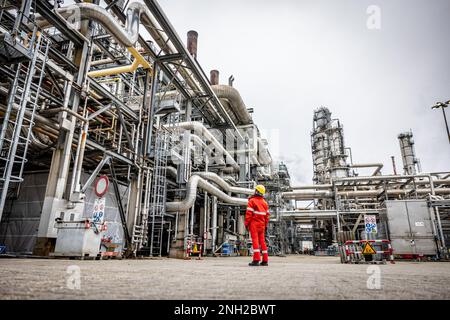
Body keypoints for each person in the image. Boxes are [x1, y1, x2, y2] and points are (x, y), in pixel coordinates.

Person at [245, 184, 270, 266]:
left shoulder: (252, 201)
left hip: (254, 224)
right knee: (262, 241)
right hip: (262, 225)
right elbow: (267, 217)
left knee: (255, 241)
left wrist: (246, 224)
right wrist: (265, 225)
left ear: (257, 191)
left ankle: (256, 260)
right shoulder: (265, 203)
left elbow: (249, 214)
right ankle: (265, 260)